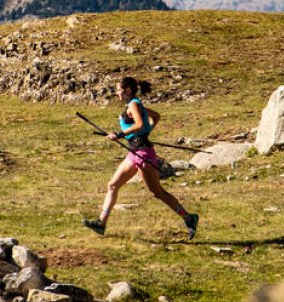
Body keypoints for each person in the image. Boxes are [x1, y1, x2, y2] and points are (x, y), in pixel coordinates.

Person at [83, 77, 199, 238]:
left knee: (157, 192)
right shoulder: (135, 105)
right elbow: (155, 117)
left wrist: (121, 134)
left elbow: (139, 124)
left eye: (119, 90)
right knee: (113, 185)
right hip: (134, 152)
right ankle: (101, 223)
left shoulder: (134, 105)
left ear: (128, 90)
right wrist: (143, 133)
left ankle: (189, 218)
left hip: (143, 153)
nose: (117, 93)